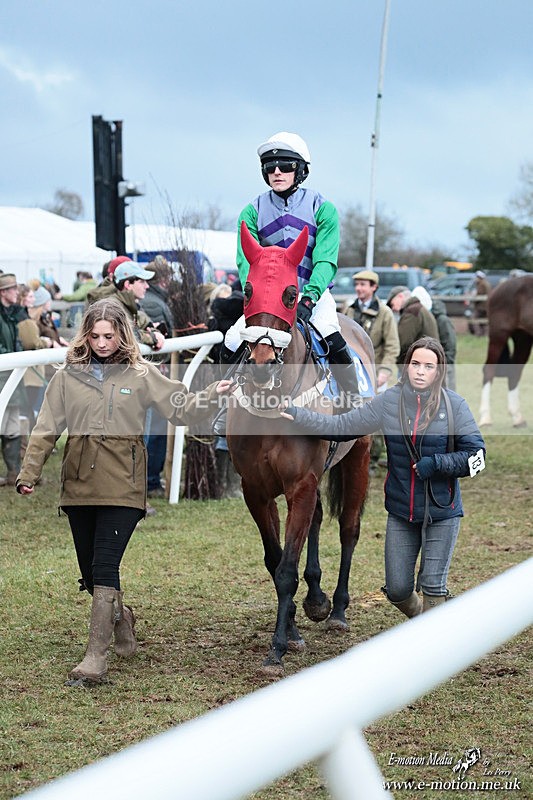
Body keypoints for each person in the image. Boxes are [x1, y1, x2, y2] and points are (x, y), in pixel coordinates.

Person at [15, 299, 232, 685]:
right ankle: (122, 615)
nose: (101, 343)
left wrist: (214, 391)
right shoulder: (65, 377)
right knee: (89, 571)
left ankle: (94, 659)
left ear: (122, 335)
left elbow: (181, 409)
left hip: (125, 485)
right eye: (95, 336)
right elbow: (46, 427)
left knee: (104, 566)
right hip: (79, 484)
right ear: (86, 334)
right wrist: (29, 472)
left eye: (109, 336)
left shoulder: (142, 373)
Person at [280, 337, 486, 618]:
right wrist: (298, 415)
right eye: (415, 364)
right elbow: (342, 426)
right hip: (401, 511)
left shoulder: (455, 406)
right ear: (407, 366)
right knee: (398, 590)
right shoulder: (390, 401)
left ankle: (432, 642)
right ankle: (427, 621)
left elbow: (477, 458)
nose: (421, 371)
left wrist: (438, 463)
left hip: (443, 512)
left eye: (428, 366)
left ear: (439, 371)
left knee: (433, 587)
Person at [223, 131, 360, 405]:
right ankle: (221, 407)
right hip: (266, 302)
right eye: (269, 167)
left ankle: (353, 407)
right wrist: (255, 297)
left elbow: (325, 260)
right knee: (231, 341)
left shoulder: (323, 209)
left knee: (332, 337)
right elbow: (244, 261)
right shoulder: (251, 211)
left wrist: (309, 298)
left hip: (313, 296)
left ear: (300, 171)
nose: (277, 171)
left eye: (285, 166)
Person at [343, 269, 400, 473]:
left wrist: (384, 371)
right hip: (352, 371)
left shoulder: (384, 313)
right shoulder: (348, 310)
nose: (359, 288)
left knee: (376, 415)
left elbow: (392, 345)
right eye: (357, 284)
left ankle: (374, 458)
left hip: (374, 372)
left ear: (373, 287)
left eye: (363, 285)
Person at [87, 259, 165, 351]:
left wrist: (153, 331)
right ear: (128, 284)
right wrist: (152, 337)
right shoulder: (111, 308)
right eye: (142, 281)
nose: (147, 286)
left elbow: (143, 325)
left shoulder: (128, 305)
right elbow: (122, 336)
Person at [0, 273, 25, 485]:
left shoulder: (12, 314)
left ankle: (13, 473)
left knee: (13, 427)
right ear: (4, 292)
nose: (17, 292)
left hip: (12, 378)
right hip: (3, 377)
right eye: (14, 289)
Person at [387, 286, 439, 367]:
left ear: (400, 296)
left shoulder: (412, 312)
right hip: (427, 360)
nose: (392, 308)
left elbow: (403, 341)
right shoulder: (419, 308)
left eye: (392, 304)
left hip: (417, 363)